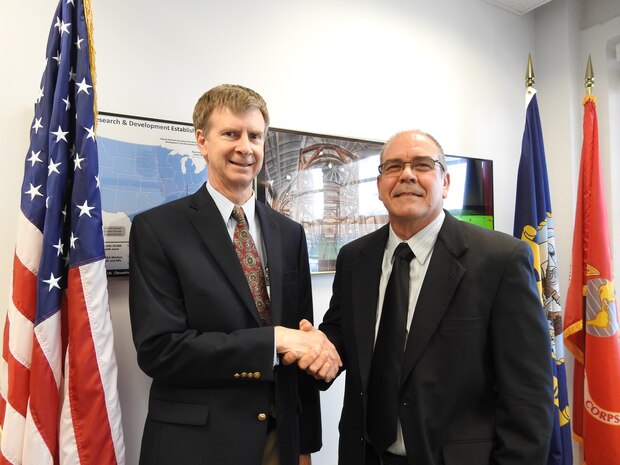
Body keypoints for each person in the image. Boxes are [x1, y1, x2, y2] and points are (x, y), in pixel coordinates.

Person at [300, 130, 554, 464]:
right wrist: (317, 347)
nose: (406, 175)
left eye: (421, 165)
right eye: (393, 167)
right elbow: (342, 335)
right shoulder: (354, 259)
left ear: (445, 182)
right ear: (378, 186)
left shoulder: (500, 260)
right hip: (365, 455)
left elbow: (528, 395)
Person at [129, 84, 340, 465]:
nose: (245, 147)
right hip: (197, 445)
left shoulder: (289, 233)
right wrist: (272, 339)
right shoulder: (157, 229)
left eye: (255, 136)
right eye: (231, 134)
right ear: (202, 141)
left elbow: (301, 335)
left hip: (279, 441)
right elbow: (160, 351)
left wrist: (304, 443)